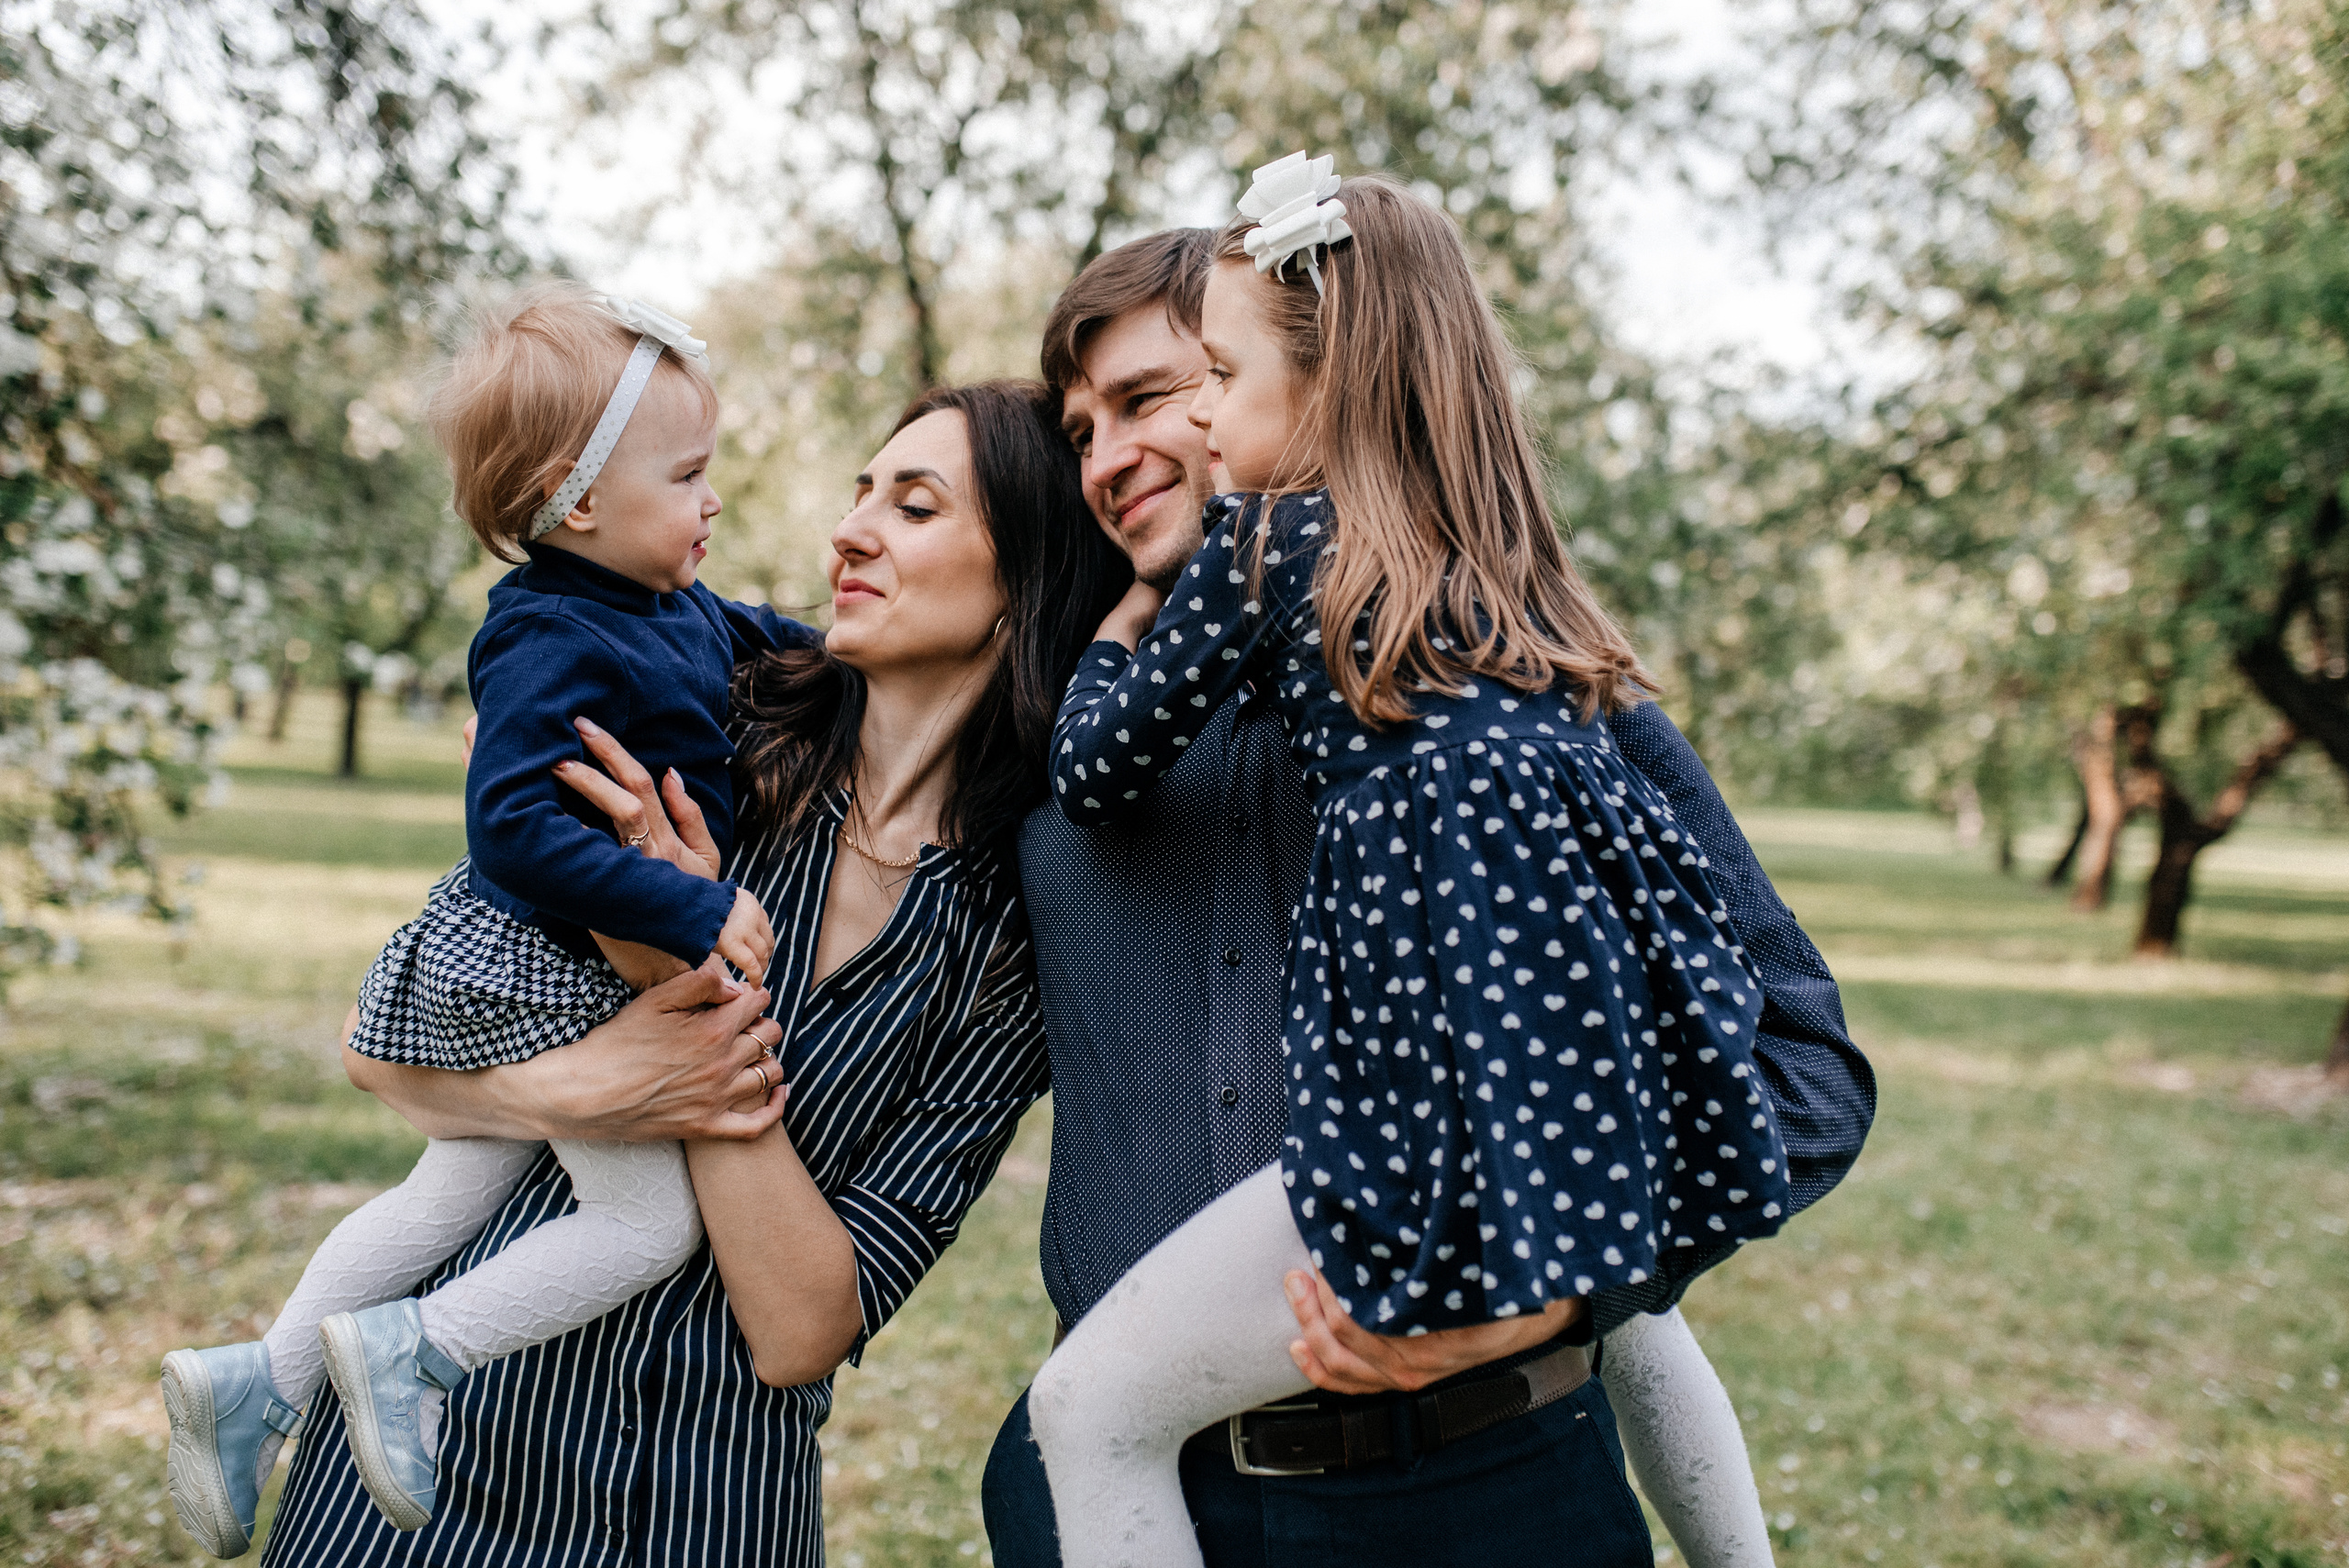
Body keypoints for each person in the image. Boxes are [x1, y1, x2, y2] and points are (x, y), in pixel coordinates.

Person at [985, 203, 1873, 1565]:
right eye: (1077, 431)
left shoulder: (1521, 685)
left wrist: (1571, 1295)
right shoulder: (1048, 741)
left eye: (1156, 393)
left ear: (1312, 370)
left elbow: (1800, 1062)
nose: (1111, 456)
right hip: (1153, 1497)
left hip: (1483, 1486)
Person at [249, 379, 1130, 1568]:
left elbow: (804, 1324)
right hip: (432, 1472)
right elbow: (384, 1048)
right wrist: (572, 1091)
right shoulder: (694, 720)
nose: (852, 528)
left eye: (913, 506)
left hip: (700, 1508)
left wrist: (682, 974)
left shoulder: (1014, 934)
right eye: (862, 489)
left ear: (1030, 574)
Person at [162, 284, 803, 1551]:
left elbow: (783, 647)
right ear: (577, 500)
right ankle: (421, 1350)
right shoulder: (544, 631)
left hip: (546, 962)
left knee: (449, 1186)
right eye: (687, 473)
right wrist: (693, 895)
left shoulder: (677, 605)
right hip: (528, 961)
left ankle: (261, 1381)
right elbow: (511, 826)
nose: (712, 497)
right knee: (645, 1222)